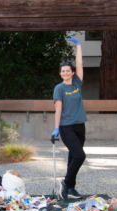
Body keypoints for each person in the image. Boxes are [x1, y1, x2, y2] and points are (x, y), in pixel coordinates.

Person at [52, 36, 87, 200]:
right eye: (63, 71)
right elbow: (58, 109)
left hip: (80, 125)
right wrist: (57, 128)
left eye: (68, 70)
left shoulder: (77, 84)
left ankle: (70, 188)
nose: (65, 73)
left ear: (72, 72)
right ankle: (66, 182)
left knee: (73, 156)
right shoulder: (59, 88)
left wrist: (78, 45)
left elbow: (79, 63)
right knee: (80, 156)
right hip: (66, 127)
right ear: (60, 74)